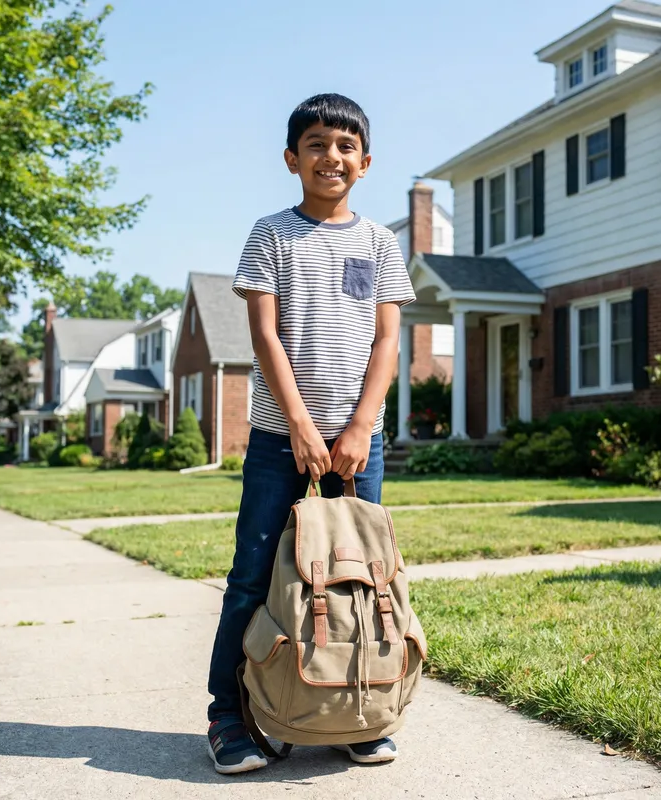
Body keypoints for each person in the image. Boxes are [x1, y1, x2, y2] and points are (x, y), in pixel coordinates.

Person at [206, 93, 416, 775]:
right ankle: (229, 717)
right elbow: (264, 335)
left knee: (357, 581)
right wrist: (299, 424)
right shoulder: (271, 234)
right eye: (318, 144)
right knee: (253, 577)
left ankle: (358, 710)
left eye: (346, 146)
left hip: (360, 447)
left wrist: (360, 425)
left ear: (367, 162)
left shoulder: (382, 242)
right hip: (278, 439)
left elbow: (388, 340)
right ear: (293, 158)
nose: (333, 157)